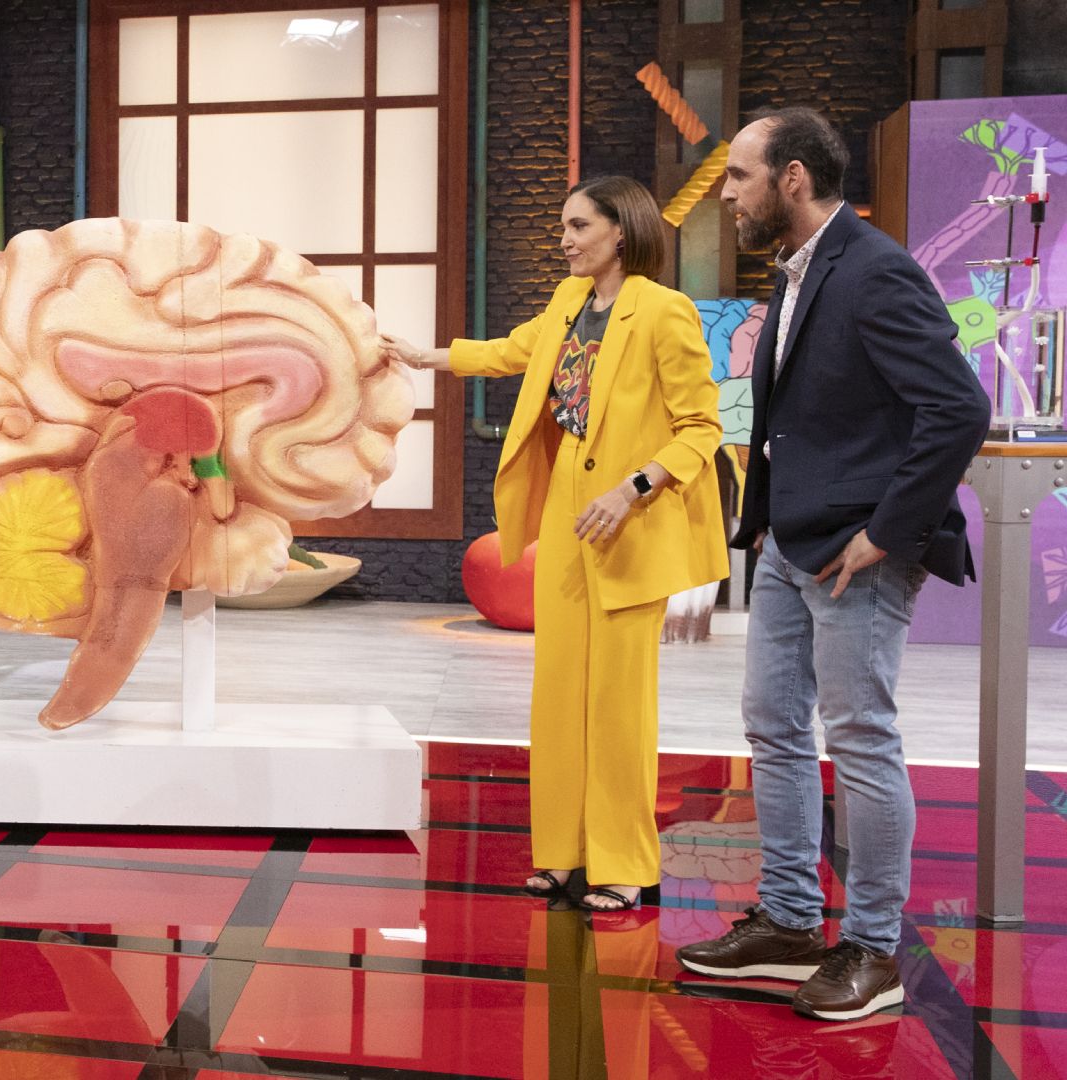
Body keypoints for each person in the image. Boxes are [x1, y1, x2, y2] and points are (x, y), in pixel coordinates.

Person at [675, 108, 990, 1022]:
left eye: (739, 176)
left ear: (794, 178)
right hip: (792, 541)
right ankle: (787, 920)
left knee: (859, 737)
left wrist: (887, 533)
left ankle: (874, 950)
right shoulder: (801, 268)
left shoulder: (874, 268)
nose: (727, 195)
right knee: (773, 728)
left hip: (857, 551)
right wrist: (764, 526)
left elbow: (958, 409)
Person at [389, 175, 727, 912]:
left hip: (630, 513)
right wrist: (424, 357)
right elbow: (514, 351)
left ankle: (624, 863)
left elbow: (702, 427)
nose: (565, 240)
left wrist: (633, 488)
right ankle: (564, 854)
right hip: (568, 506)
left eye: (579, 226)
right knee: (558, 693)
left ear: (621, 230)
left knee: (618, 702)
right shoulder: (568, 301)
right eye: (565, 226)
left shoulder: (663, 311)